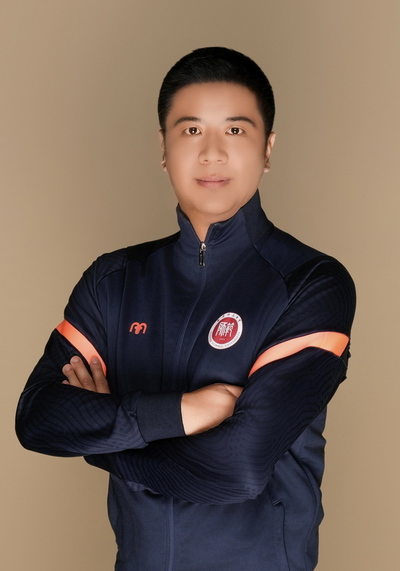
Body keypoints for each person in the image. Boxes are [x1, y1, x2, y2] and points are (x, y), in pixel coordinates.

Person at [16, 47, 356, 570]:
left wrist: (105, 438)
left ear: (267, 148)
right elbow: (38, 417)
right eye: (192, 130)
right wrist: (183, 412)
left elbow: (238, 469)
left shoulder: (311, 283)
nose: (212, 153)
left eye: (235, 130)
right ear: (163, 147)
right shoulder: (113, 280)